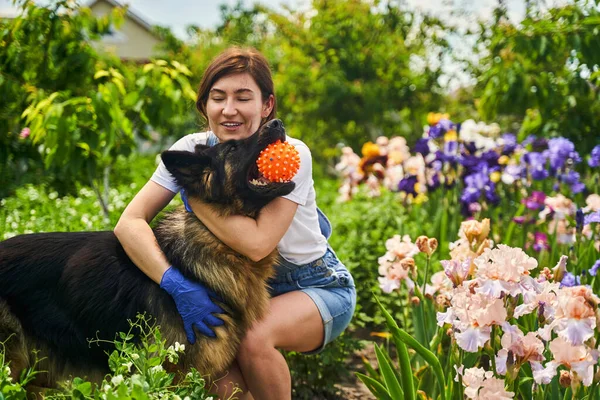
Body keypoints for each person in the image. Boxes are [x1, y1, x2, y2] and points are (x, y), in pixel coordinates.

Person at [114, 46, 356, 400]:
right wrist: (174, 282)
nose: (229, 110)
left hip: (314, 285)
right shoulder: (193, 150)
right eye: (218, 97)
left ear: (266, 105)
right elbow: (129, 222)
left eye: (243, 97)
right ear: (204, 105)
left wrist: (196, 197)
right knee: (218, 374)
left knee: (253, 340)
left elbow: (258, 245)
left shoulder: (288, 154)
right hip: (240, 291)